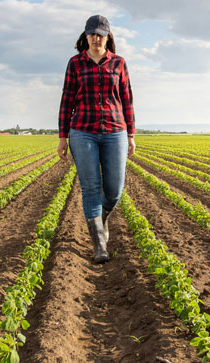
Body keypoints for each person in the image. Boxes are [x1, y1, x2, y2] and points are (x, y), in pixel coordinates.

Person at [57, 14, 136, 263]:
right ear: (86, 36)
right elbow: (66, 101)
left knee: (114, 189)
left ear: (108, 37)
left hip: (115, 131)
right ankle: (99, 244)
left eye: (100, 34)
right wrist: (62, 137)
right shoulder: (75, 64)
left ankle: (101, 219)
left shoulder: (119, 63)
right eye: (92, 33)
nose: (96, 38)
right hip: (82, 131)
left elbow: (127, 99)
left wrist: (131, 134)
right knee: (90, 187)